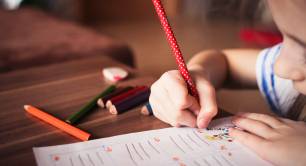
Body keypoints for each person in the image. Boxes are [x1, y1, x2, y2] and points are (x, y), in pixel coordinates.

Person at [149, 0, 306, 165]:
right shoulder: (291, 72)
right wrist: (198, 73)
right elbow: (224, 62)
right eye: (284, 39)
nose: (279, 67)